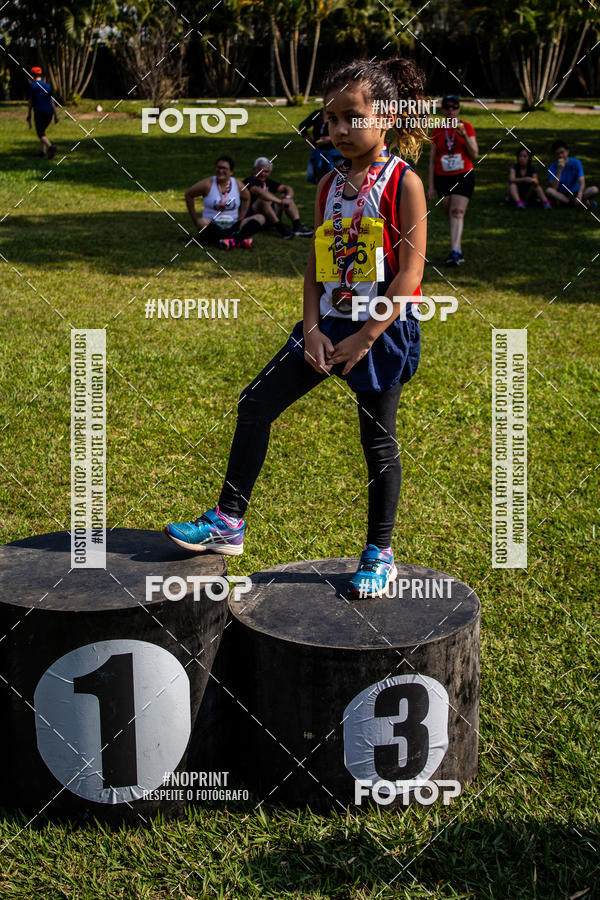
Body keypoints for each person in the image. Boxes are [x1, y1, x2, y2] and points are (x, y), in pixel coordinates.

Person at [165, 56, 427, 601]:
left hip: (377, 332)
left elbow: (410, 274)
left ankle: (380, 552)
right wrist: (311, 328)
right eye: (330, 120)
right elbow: (315, 264)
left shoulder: (405, 183)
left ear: (385, 116)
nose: (337, 130)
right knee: (256, 403)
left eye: (350, 118)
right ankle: (228, 521)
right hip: (325, 324)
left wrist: (365, 338)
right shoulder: (328, 183)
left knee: (377, 443)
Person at [428, 94, 478, 266]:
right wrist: (431, 186)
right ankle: (455, 247)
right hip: (442, 177)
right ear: (442, 110)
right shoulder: (437, 130)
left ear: (459, 109)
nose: (451, 110)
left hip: (463, 174)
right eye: (447, 107)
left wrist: (463, 136)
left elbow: (475, 153)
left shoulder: (466, 127)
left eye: (454, 107)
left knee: (457, 211)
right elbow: (432, 160)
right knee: (450, 212)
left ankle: (456, 250)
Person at [184, 156, 264, 249]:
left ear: (231, 172)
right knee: (201, 222)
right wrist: (195, 220)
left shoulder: (237, 184)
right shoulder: (207, 184)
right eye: (218, 167)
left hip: (233, 225)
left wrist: (241, 218)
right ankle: (238, 240)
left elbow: (247, 198)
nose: (220, 170)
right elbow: (188, 194)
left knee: (260, 218)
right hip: (212, 225)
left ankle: (231, 240)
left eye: (224, 168)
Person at [243, 157, 313, 238]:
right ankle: (280, 227)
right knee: (263, 200)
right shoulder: (248, 181)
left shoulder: (267, 182)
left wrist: (288, 197)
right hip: (253, 216)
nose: (263, 174)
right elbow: (260, 192)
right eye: (260, 170)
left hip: (268, 214)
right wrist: (280, 202)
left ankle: (297, 225)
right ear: (254, 169)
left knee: (285, 197)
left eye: (266, 172)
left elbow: (287, 188)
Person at [546, 140, 598, 209]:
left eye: (562, 152)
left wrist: (579, 195)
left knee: (594, 189)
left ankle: (572, 203)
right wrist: (559, 170)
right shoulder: (552, 167)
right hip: (562, 194)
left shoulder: (576, 162)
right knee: (549, 191)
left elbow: (582, 182)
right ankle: (580, 203)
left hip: (576, 192)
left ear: (567, 152)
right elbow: (554, 188)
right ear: (555, 155)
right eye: (557, 154)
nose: (560, 156)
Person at [298, 108, 343, 183]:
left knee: (339, 181)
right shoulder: (318, 114)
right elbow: (302, 127)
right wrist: (309, 142)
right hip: (320, 154)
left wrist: (330, 139)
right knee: (322, 181)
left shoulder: (341, 114)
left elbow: (350, 131)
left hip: (337, 154)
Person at [26, 67, 58, 159]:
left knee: (40, 133)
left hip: (39, 112)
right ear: (41, 75)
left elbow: (30, 101)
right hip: (50, 112)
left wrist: (29, 114)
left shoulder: (32, 86)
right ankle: (43, 152)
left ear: (32, 75)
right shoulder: (47, 86)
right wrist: (56, 116)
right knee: (42, 131)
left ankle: (51, 147)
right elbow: (52, 101)